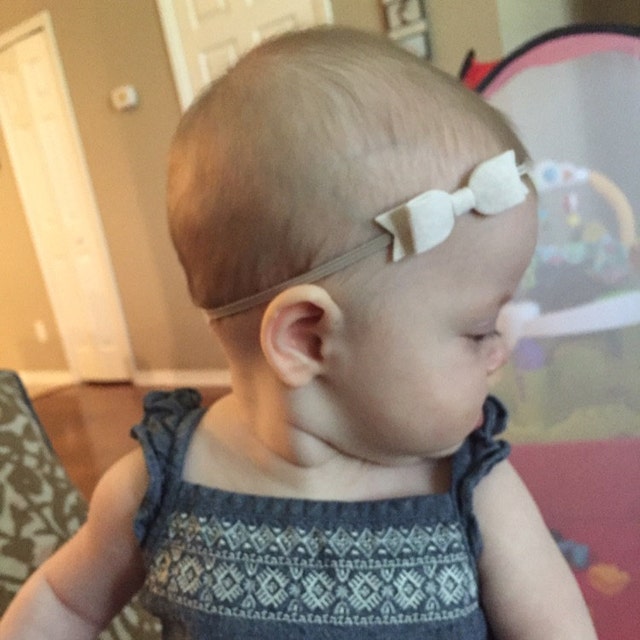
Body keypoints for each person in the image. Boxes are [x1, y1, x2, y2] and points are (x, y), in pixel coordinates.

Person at [0, 27, 596, 639]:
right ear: (308, 340)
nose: (500, 350)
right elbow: (65, 602)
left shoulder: (473, 492)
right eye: (477, 331)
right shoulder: (159, 488)